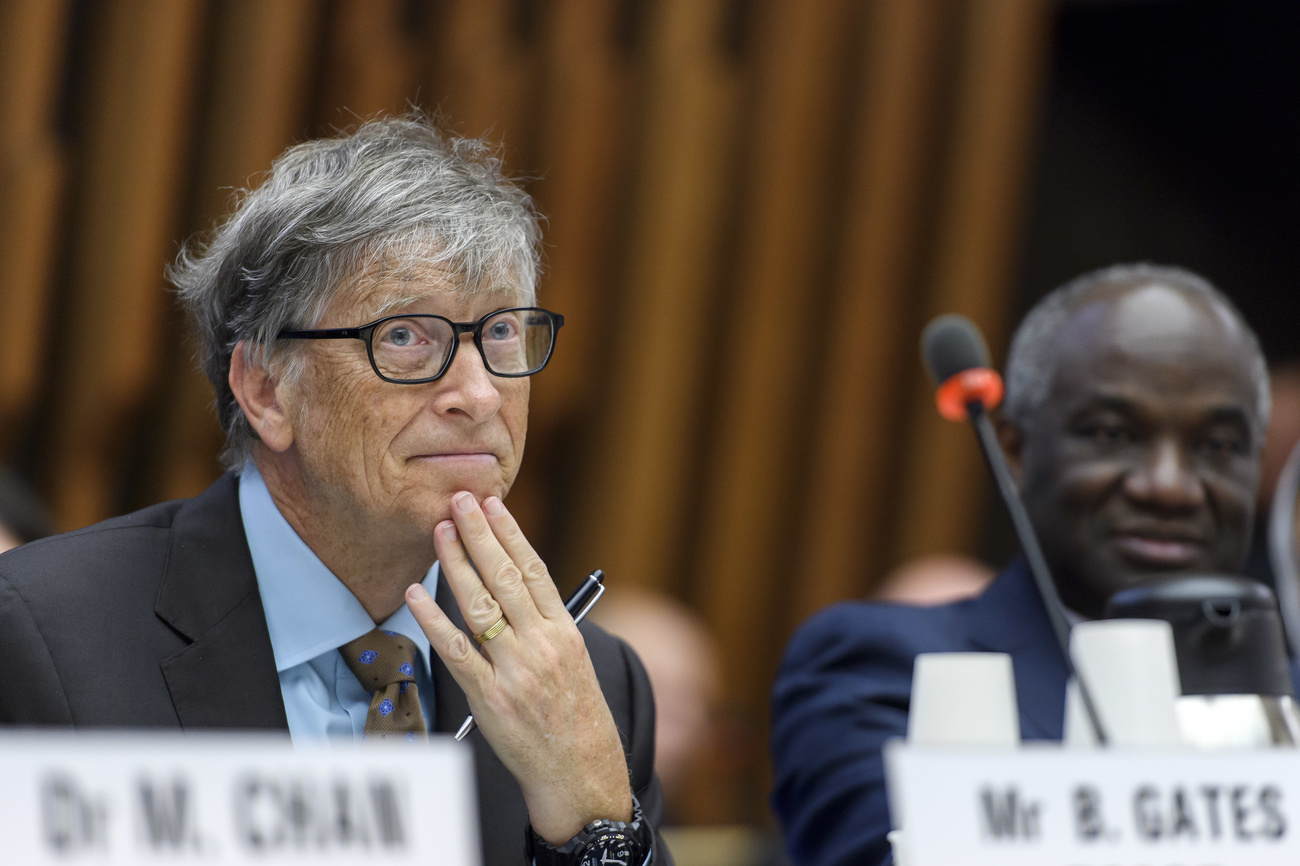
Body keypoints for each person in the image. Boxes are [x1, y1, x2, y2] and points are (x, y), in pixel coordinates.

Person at [0, 117, 668, 866]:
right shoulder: (41, 641)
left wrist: (592, 822)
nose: (481, 395)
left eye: (502, 332)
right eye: (405, 336)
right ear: (266, 390)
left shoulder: (593, 687)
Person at [770, 263, 1288, 866]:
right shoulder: (884, 667)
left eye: (1217, 446)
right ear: (1015, 451)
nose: (1169, 486)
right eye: (1113, 434)